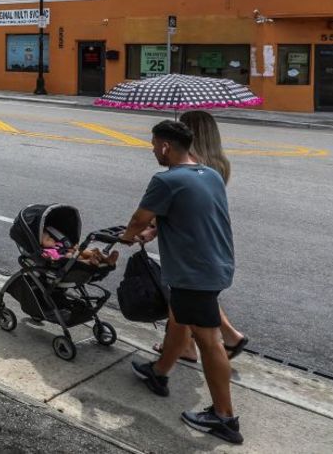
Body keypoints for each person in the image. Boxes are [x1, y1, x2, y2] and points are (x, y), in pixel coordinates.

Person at [120, 120, 243, 445]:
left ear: (165, 147)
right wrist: (155, 230)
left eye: (153, 145)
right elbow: (190, 212)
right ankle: (159, 373)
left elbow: (138, 218)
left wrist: (130, 236)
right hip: (216, 265)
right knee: (178, 320)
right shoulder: (210, 174)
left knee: (208, 342)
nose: (151, 150)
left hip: (193, 274)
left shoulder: (166, 179)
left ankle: (224, 417)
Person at [148, 110, 248, 362]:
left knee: (183, 300)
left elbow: (180, 206)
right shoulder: (217, 164)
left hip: (189, 245)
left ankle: (183, 350)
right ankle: (227, 338)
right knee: (197, 298)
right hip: (211, 241)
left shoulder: (194, 167)